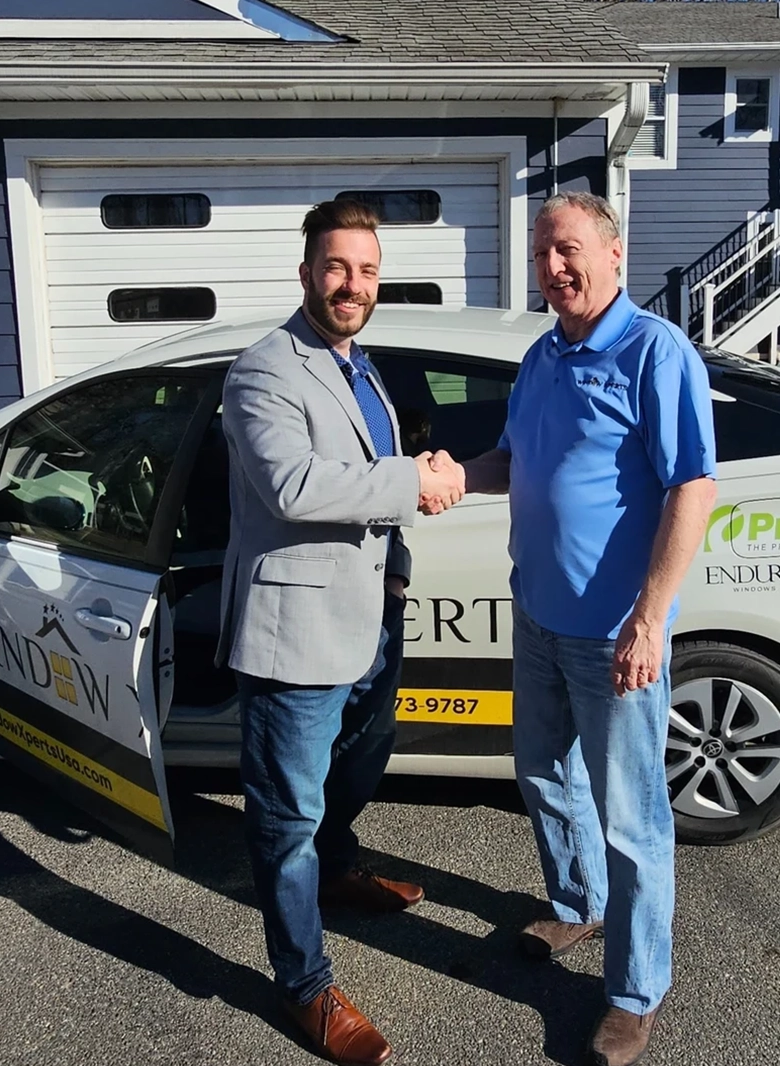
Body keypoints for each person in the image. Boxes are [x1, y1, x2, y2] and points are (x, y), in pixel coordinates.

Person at [454, 191, 717, 1066]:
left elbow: (692, 487)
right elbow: (512, 461)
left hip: (615, 634)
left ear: (613, 253)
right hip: (538, 614)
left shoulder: (654, 351)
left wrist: (650, 620)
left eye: (567, 250)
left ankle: (635, 993)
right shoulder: (541, 356)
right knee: (543, 774)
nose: (553, 268)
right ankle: (579, 906)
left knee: (634, 818)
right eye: (541, 255)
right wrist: (447, 476)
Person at [216, 199, 464, 1066]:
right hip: (294, 634)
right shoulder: (263, 371)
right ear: (306, 273)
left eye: (365, 270)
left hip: (369, 622)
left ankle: (340, 867)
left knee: (360, 761)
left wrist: (397, 572)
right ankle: (304, 985)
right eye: (335, 267)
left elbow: (369, 471)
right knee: (284, 818)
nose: (351, 284)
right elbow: (295, 485)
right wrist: (410, 487)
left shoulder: (362, 369)